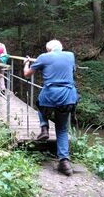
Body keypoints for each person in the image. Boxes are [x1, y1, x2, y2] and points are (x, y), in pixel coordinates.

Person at [23, 39, 78, 176]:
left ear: (48, 50)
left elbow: (27, 74)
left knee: (40, 104)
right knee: (62, 128)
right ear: (60, 47)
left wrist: (27, 63)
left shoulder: (43, 57)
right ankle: (64, 161)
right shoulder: (70, 55)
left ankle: (44, 127)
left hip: (51, 96)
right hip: (68, 96)